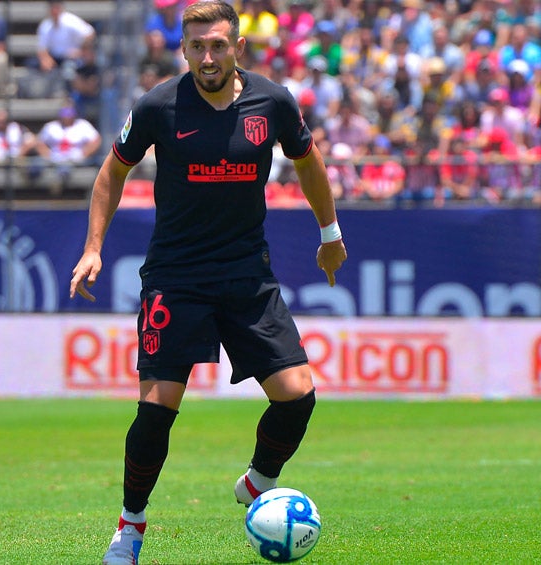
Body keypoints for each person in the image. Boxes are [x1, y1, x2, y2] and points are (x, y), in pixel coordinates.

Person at [67, 3, 347, 564]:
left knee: (298, 396)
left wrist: (330, 231)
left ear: (237, 47)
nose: (208, 56)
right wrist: (93, 246)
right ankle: (131, 526)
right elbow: (112, 172)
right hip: (176, 277)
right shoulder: (158, 106)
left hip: (247, 274)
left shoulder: (272, 102)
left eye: (218, 45)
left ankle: (258, 480)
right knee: (158, 405)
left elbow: (310, 163)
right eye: (197, 47)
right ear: (185, 50)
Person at [32, 0, 97, 98]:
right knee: (33, 65)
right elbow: (42, 49)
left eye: (56, 8)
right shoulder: (45, 25)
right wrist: (46, 59)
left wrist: (81, 50)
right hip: (55, 58)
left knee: (69, 70)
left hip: (72, 58)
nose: (54, 11)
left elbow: (90, 34)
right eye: (52, 8)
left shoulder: (70, 21)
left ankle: (75, 97)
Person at [35, 104, 102, 195]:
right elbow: (39, 143)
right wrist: (48, 155)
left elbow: (96, 140)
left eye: (69, 116)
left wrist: (83, 154)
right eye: (65, 116)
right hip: (56, 158)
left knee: (98, 162)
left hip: (76, 158)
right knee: (35, 163)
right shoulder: (52, 126)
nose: (67, 118)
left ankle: (61, 186)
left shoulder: (82, 125)